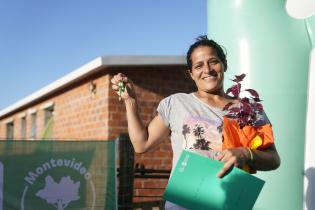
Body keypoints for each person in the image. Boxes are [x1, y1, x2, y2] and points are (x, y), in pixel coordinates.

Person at [111, 35, 280, 210]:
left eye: (213, 61)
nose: (207, 69)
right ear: (191, 74)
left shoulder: (249, 109)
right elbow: (141, 143)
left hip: (229, 203)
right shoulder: (176, 103)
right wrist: (130, 102)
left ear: (224, 65)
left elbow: (273, 159)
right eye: (198, 65)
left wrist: (246, 153)